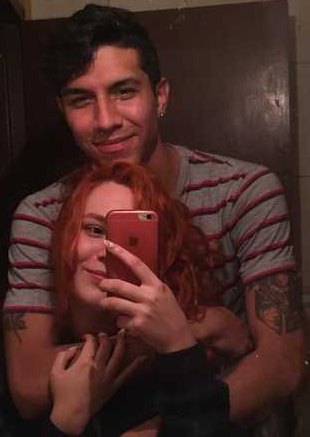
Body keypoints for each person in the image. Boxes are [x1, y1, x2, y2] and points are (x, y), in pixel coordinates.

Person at [3, 3, 305, 432]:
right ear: (62, 109)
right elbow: (31, 386)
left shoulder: (243, 192)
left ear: (159, 95)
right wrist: (199, 328)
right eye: (81, 100)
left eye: (124, 92)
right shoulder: (43, 215)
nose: (106, 120)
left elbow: (281, 366)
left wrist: (160, 431)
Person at [46, 161, 250, 436]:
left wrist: (179, 344)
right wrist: (65, 419)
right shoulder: (29, 356)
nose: (108, 251)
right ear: (65, 235)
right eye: (94, 229)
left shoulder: (175, 361)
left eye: (130, 239)